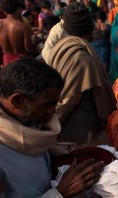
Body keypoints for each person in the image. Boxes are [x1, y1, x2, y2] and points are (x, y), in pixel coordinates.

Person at [0, 59, 105, 197]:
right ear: (17, 101)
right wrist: (60, 193)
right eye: (46, 105)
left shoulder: (29, 123)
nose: (53, 111)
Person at [45, 2, 116, 145]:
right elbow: (68, 100)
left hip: (65, 128)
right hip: (78, 133)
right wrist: (50, 128)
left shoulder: (60, 47)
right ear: (89, 30)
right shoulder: (82, 60)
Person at [0, 0, 32, 66]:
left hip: (6, 59)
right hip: (22, 59)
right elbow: (28, 49)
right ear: (18, 10)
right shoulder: (24, 27)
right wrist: (35, 41)